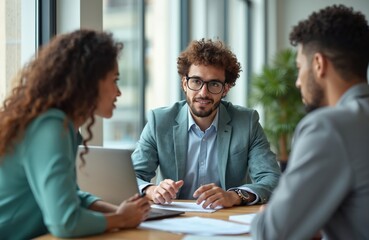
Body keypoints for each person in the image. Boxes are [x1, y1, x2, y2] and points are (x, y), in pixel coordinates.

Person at [0, 29, 150, 239]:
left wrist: (120, 211)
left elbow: (69, 198)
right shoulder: (50, 127)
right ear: (90, 80)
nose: (118, 92)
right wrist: (122, 219)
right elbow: (65, 222)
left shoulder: (61, 126)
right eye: (114, 80)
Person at [251, 5, 369, 239]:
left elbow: (272, 234)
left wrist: (267, 216)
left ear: (318, 64)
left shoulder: (328, 127)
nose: (297, 82)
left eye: (299, 67)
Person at [132, 38, 281, 209]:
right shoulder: (159, 122)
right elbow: (131, 176)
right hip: (173, 218)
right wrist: (152, 190)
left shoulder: (246, 122)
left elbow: (272, 179)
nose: (203, 93)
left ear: (225, 89)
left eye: (214, 84)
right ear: (184, 83)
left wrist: (234, 196)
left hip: (225, 219)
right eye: (196, 81)